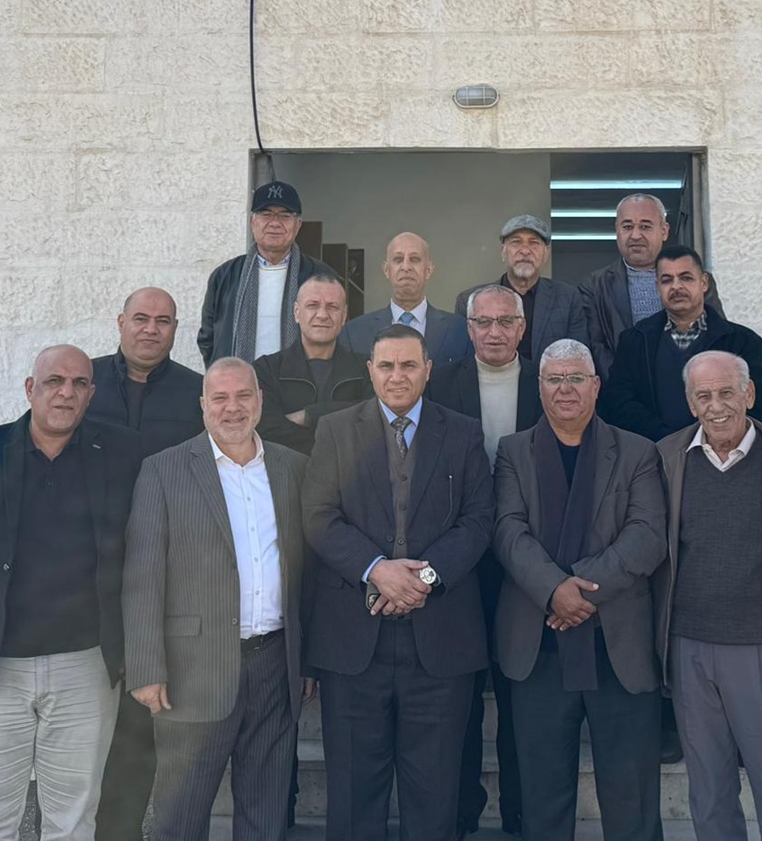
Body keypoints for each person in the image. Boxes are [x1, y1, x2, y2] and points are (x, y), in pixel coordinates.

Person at [0, 345, 141, 841]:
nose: (66, 393)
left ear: (92, 394)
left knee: (73, 822)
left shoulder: (123, 453)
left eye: (79, 383)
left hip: (86, 665)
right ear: (30, 389)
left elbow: (143, 553)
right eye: (55, 381)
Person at [302, 324, 494, 841]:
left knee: (434, 793)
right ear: (370, 371)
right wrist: (377, 570)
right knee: (352, 793)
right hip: (353, 641)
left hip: (440, 642)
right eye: (386, 365)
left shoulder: (463, 433)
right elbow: (318, 516)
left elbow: (479, 520)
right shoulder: (336, 431)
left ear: (427, 370)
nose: (397, 376)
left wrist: (423, 579)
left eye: (409, 365)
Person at [122, 357, 313, 841]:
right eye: (221, 398)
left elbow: (306, 572)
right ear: (203, 405)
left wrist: (306, 660)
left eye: (243, 396)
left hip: (275, 664)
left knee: (265, 812)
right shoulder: (164, 470)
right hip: (192, 669)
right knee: (180, 815)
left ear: (260, 401)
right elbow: (142, 575)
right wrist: (146, 667)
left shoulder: (292, 468)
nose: (233, 408)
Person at [492, 338, 665, 841]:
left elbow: (647, 535)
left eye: (575, 378)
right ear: (539, 386)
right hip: (539, 647)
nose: (565, 389)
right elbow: (507, 531)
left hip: (618, 647)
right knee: (543, 796)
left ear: (596, 385)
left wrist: (581, 593)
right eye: (554, 379)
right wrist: (554, 590)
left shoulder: (637, 451)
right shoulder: (512, 451)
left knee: (632, 798)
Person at [655, 350, 762, 841]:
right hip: (688, 647)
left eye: (727, 392)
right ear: (690, 403)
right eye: (703, 396)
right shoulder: (665, 458)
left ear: (749, 394)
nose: (716, 406)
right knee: (708, 791)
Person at [86, 287, 204, 839]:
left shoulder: (196, 394)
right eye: (141, 318)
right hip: (84, 584)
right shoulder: (81, 382)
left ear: (177, 329)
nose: (151, 329)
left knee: (139, 729)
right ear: (120, 322)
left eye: (163, 321)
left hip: (163, 582)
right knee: (78, 731)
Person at [427, 284, 543, 838]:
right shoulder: (440, 384)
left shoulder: (547, 382)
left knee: (522, 691)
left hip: (529, 555)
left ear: (522, 328)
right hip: (460, 556)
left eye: (506, 322)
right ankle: (461, 811)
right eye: (483, 322)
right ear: (468, 329)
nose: (494, 332)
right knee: (463, 692)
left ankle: (521, 810)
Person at [600, 244, 762, 443]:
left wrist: (709, 442)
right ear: (657, 287)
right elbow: (619, 403)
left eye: (686, 278)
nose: (676, 286)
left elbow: (753, 406)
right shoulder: (634, 341)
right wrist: (668, 442)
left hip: (721, 453)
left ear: (704, 283)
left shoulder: (743, 342)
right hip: (654, 453)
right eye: (667, 280)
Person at [579, 194, 723, 377]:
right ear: (617, 231)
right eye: (627, 227)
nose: (635, 235)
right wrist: (625, 385)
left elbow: (718, 336)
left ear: (664, 231)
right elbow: (595, 347)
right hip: (623, 388)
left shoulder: (696, 281)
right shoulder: (595, 286)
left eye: (645, 226)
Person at [198, 180, 335, 365]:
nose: (275, 223)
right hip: (240, 379)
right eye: (266, 214)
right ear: (252, 222)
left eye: (285, 216)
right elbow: (207, 338)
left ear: (298, 225)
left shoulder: (321, 276)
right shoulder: (225, 276)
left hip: (302, 379)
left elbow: (337, 331)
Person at [253, 274, 371, 455]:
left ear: (344, 316)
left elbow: (373, 418)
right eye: (313, 305)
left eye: (332, 307)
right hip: (289, 470)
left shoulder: (368, 369)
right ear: (296, 312)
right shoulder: (266, 370)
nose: (322, 315)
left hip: (352, 470)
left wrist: (309, 415)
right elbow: (266, 431)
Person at [453, 215, 588, 362]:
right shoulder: (471, 300)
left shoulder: (568, 298)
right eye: (516, 242)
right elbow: (463, 361)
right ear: (503, 252)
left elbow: (578, 358)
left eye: (534, 243)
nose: (525, 251)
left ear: (546, 254)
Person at [339, 231, 471, 366]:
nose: (406, 267)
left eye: (415, 259)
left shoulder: (460, 330)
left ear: (429, 269)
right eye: (398, 259)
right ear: (386, 269)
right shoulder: (354, 333)